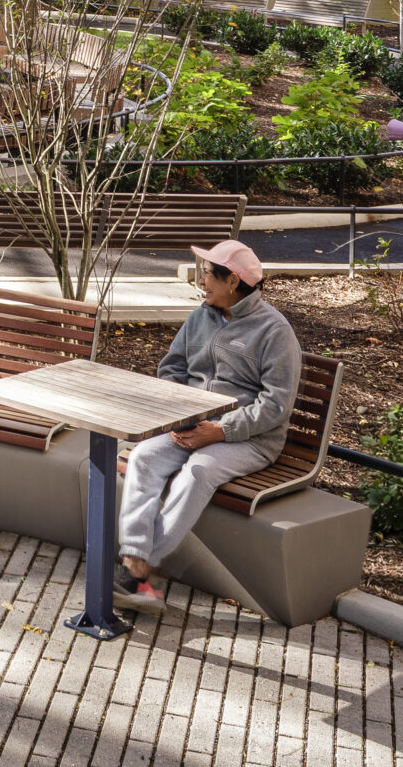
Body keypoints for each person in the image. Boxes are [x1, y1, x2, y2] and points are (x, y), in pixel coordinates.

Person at [116, 239, 301, 610]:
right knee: (144, 457)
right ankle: (134, 561)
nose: (203, 283)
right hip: (192, 426)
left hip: (251, 439)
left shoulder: (274, 332)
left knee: (198, 472)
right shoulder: (201, 316)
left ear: (232, 281)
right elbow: (172, 368)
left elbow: (275, 405)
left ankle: (142, 568)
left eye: (208, 276)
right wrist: (180, 414)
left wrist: (221, 430)